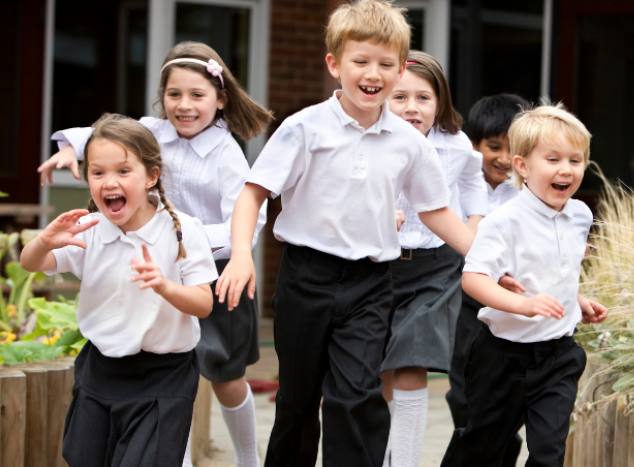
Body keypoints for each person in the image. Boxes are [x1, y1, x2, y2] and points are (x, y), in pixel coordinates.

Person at [215, 1, 474, 466]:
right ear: (334, 64)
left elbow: (438, 213)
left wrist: (490, 263)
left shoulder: (411, 144)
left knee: (356, 398)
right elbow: (253, 195)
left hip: (371, 284)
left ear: (399, 71)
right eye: (361, 61)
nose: (373, 73)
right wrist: (240, 254)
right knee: (298, 402)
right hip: (305, 278)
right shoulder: (304, 128)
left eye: (385, 64)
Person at [37, 42, 273, 467]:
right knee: (174, 377)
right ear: (161, 99)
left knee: (226, 375)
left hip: (218, 273)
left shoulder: (226, 152)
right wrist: (71, 148)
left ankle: (248, 460)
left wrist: (192, 244)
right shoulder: (151, 131)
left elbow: (247, 219)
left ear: (220, 100)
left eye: (197, 95)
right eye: (174, 94)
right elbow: (101, 134)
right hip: (152, 275)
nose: (184, 105)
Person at [21, 114, 218, 467]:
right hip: (101, 370)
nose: (109, 181)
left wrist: (163, 286)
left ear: (151, 177)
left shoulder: (182, 231)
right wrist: (42, 241)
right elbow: (31, 263)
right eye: (98, 173)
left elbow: (204, 304)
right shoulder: (89, 228)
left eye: (123, 171)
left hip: (164, 374)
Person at [440, 103, 608, 467]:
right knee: (484, 443)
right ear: (523, 166)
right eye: (553, 159)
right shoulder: (503, 221)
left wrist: (576, 298)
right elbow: (473, 279)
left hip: (558, 355)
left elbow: (553, 270)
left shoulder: (580, 215)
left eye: (575, 160)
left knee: (549, 453)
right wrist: (524, 305)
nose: (566, 169)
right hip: (503, 356)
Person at [380, 50, 487, 467]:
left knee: (413, 360)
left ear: (440, 101)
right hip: (379, 266)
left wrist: (475, 220)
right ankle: (383, 454)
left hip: (436, 267)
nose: (411, 108)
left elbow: (473, 178)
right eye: (400, 97)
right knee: (376, 370)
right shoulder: (372, 137)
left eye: (423, 98)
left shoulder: (455, 144)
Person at [445, 93, 528, 466]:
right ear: (473, 145)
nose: (502, 159)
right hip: (463, 300)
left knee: (504, 398)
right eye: (493, 147)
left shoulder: (529, 195)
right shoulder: (457, 187)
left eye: (512, 150)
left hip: (511, 305)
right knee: (461, 395)